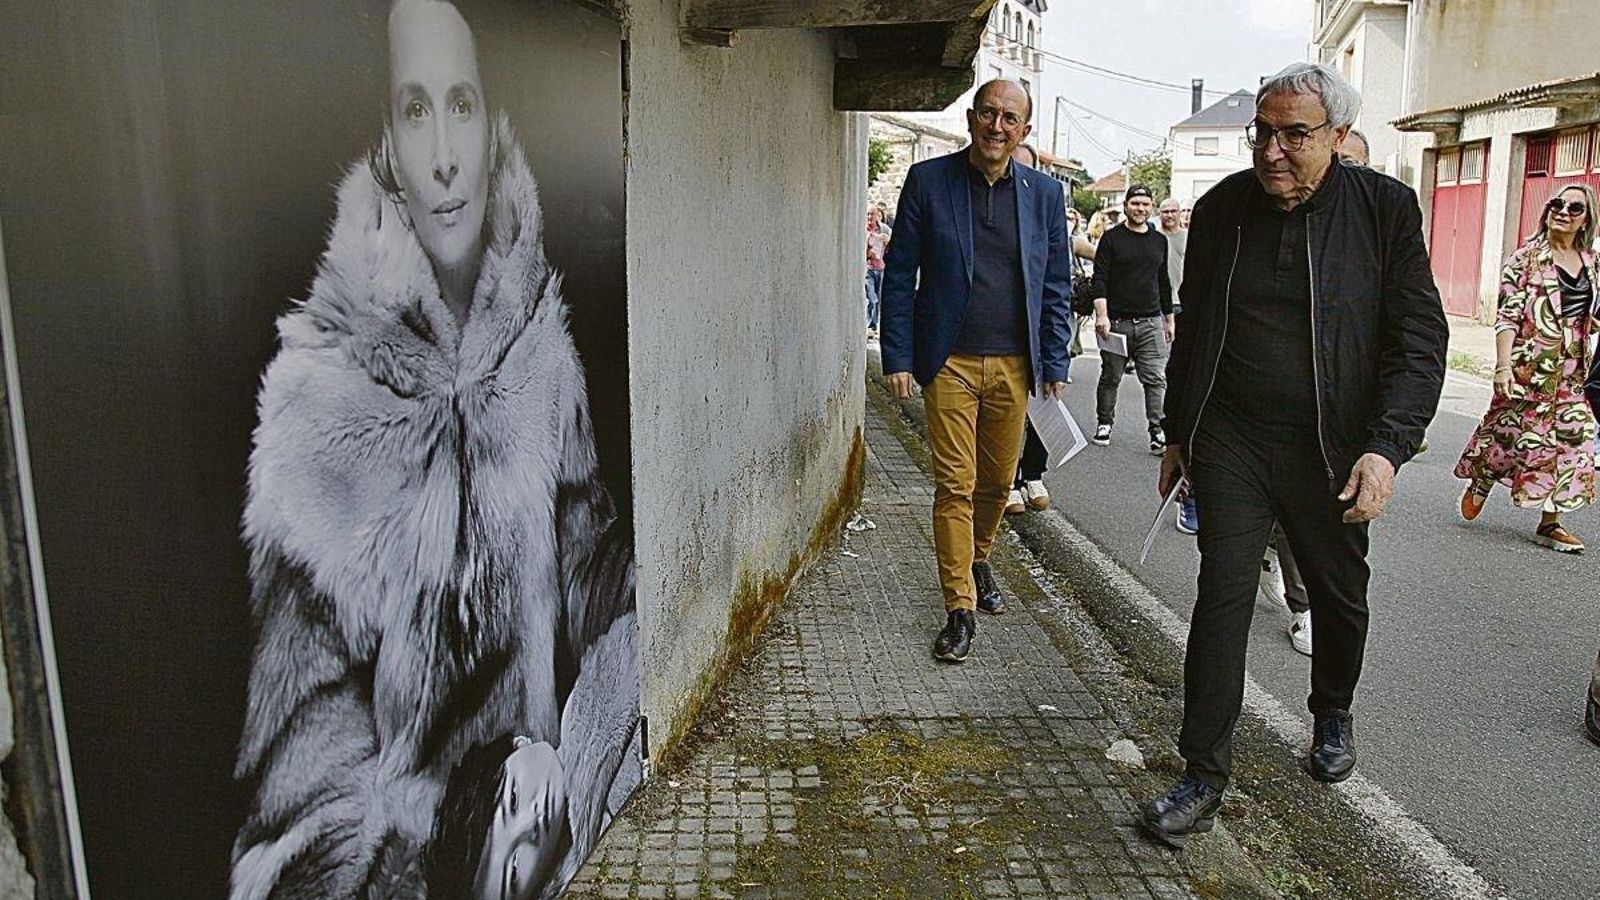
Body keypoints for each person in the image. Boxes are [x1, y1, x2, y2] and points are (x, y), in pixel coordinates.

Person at [228, 2, 640, 895]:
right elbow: (307, 791)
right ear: (383, 139)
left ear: (494, 124)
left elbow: (587, 564)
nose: (445, 156)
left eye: (462, 104)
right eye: (416, 111)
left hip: (548, 845)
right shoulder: (319, 407)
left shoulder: (539, 352)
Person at [1145, 62, 1447, 846]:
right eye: (1263, 133)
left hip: (1334, 449)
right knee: (1222, 599)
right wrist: (1180, 431)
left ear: (1339, 137)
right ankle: (1203, 772)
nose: (1273, 151)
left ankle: (1332, 711)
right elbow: (1197, 327)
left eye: (1295, 135)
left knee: (1340, 596)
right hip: (1234, 442)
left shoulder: (1385, 211)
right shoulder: (1221, 212)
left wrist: (1386, 449)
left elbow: (1419, 343)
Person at [881, 79, 1072, 662]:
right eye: (988, 113)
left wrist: (1056, 357)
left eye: (1009, 118)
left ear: (1024, 131)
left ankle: (979, 555)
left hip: (1017, 365)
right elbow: (899, 274)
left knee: (996, 485)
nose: (997, 126)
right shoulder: (929, 181)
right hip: (950, 363)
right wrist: (899, 357)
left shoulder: (1042, 194)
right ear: (971, 118)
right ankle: (959, 607)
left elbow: (1056, 284)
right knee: (955, 486)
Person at [1455, 184, 1599, 552]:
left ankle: (1550, 523)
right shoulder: (1526, 259)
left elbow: (1589, 311)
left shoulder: (1592, 262)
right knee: (1511, 433)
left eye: (1574, 208)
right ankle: (1484, 475)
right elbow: (1507, 317)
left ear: (1586, 220)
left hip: (1572, 372)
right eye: (1557, 204)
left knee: (1575, 437)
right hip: (1527, 369)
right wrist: (1503, 367)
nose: (1563, 211)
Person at [1088, 185, 1174, 454]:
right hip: (1116, 323)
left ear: (1152, 207)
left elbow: (1163, 281)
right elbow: (1099, 278)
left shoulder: (1159, 241)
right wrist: (1102, 315)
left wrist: (1168, 319)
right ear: (1126, 206)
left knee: (1155, 378)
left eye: (1146, 204)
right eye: (1135, 203)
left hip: (1150, 322)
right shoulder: (1112, 238)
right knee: (1111, 376)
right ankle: (1105, 423)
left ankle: (1157, 430)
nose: (1140, 209)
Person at [1006, 143, 1053, 515]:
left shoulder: (1046, 211)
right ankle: (1004, 481)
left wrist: (1057, 357)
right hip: (1001, 337)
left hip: (1037, 334)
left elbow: (1057, 285)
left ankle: (1032, 474)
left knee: (1041, 407)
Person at [866, 205, 891, 338]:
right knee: (872, 298)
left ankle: (877, 326)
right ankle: (870, 325)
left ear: (877, 216)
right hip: (868, 268)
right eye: (868, 214)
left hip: (881, 268)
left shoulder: (884, 229)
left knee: (880, 299)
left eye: (872, 214)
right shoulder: (862, 229)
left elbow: (895, 245)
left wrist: (887, 241)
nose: (870, 217)